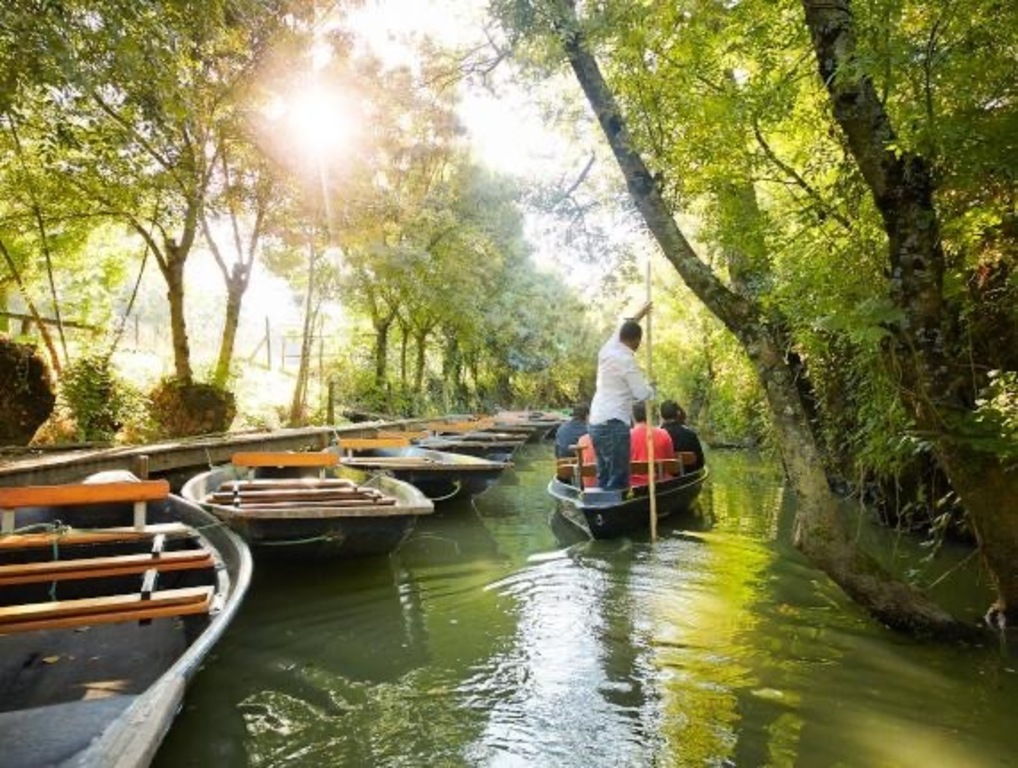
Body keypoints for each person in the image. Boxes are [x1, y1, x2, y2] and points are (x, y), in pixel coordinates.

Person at [588, 303, 654, 490]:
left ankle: (601, 511)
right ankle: (614, 515)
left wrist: (641, 313)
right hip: (614, 423)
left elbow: (626, 326)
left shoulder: (606, 350)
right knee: (618, 478)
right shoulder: (627, 361)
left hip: (595, 422)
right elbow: (641, 394)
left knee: (604, 473)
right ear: (637, 341)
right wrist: (652, 388)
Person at [629, 401, 675, 485]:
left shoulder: (625, 437)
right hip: (662, 483)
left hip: (634, 485)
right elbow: (670, 459)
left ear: (633, 417)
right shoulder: (663, 433)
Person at [660, 399, 705, 471]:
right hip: (689, 476)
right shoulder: (690, 434)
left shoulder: (656, 435)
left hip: (666, 477)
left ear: (662, 415)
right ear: (678, 413)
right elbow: (700, 463)